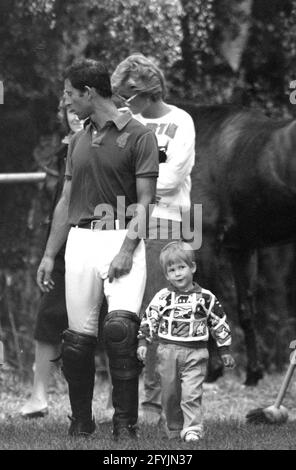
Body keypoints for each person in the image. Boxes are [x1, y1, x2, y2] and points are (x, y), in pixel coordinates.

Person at [36, 58, 159, 439]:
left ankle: (125, 425)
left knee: (120, 332)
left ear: (89, 93)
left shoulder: (140, 136)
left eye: (71, 94)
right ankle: (81, 422)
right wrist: (49, 254)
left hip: (122, 237)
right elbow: (66, 201)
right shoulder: (77, 140)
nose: (67, 102)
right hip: (81, 241)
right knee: (77, 341)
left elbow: (145, 202)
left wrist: (125, 249)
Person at [111, 53, 196, 423]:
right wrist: (141, 187)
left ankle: (158, 403)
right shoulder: (125, 122)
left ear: (147, 92)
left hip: (169, 226)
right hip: (124, 225)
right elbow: (114, 173)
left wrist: (139, 185)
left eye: (128, 95)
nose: (122, 103)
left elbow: (173, 179)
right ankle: (132, 402)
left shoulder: (181, 121)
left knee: (162, 315)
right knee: (128, 318)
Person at [20, 101, 83, 418]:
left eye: (78, 108)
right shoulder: (63, 151)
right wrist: (48, 251)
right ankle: (39, 396)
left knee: (108, 325)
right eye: (68, 110)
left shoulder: (107, 147)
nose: (74, 116)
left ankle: (115, 402)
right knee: (48, 316)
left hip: (99, 240)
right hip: (61, 243)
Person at [137, 240, 235, 442]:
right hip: (167, 351)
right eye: (172, 270)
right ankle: (174, 429)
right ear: (166, 275)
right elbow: (150, 318)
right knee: (170, 394)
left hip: (196, 352)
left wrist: (224, 349)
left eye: (182, 267)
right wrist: (143, 343)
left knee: (191, 393)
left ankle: (192, 429)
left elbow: (219, 322)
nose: (178, 274)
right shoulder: (163, 297)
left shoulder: (205, 298)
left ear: (192, 267)